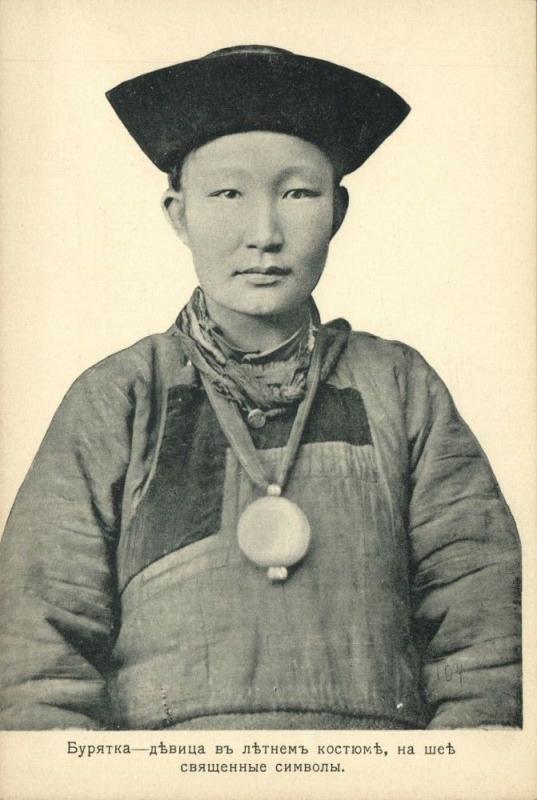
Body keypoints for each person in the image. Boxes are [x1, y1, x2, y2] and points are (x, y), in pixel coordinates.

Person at [0, 45, 521, 730]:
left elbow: (485, 629)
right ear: (177, 212)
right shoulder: (119, 396)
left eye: (297, 193)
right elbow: (35, 655)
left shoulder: (399, 387)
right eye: (226, 194)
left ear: (337, 210)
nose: (264, 234)